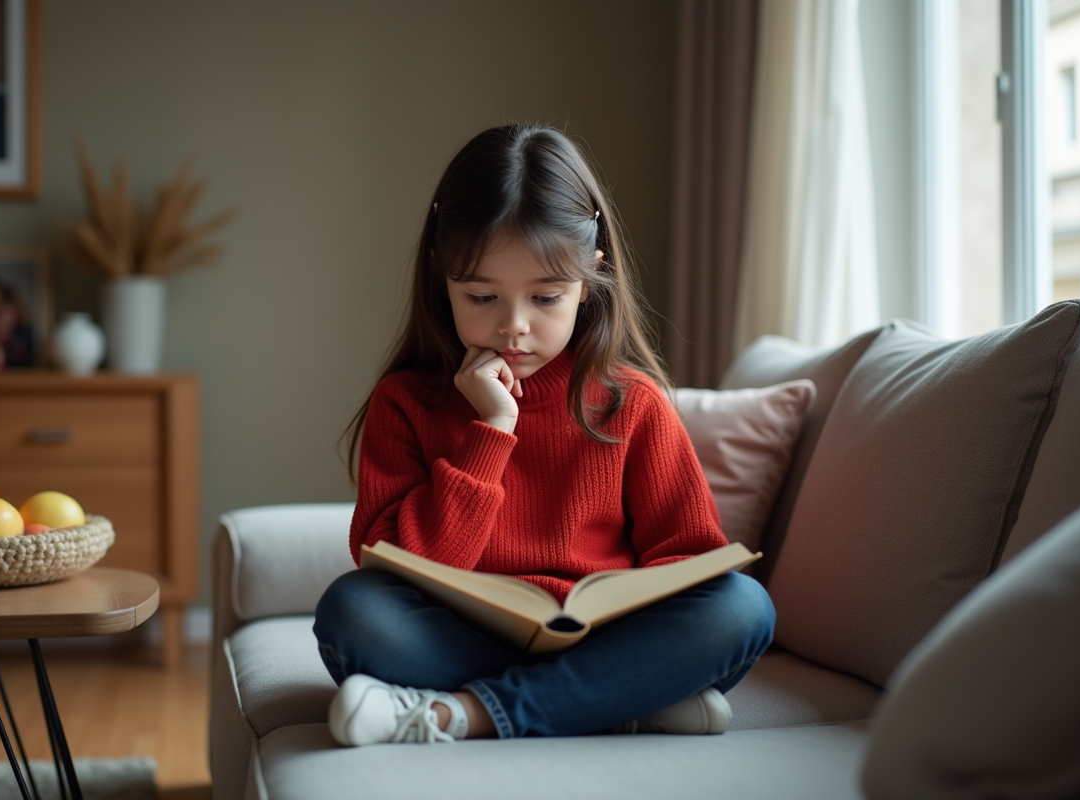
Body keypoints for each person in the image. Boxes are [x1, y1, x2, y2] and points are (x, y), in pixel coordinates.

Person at [314, 124, 775, 747]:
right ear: (440, 275)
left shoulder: (631, 402)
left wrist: (625, 611)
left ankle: (463, 715)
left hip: (606, 636)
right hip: (460, 638)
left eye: (547, 297)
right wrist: (492, 431)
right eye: (481, 296)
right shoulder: (406, 403)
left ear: (591, 278)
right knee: (353, 611)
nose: (514, 327)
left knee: (743, 608)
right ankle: (614, 701)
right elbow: (400, 570)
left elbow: (689, 559)